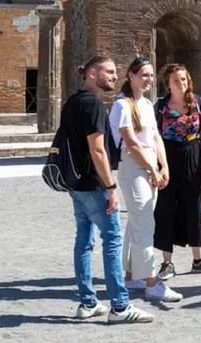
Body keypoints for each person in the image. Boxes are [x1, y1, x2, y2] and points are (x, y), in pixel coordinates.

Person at [63, 56, 153, 323]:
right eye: (109, 72)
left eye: (115, 73)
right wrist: (111, 186)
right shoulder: (92, 104)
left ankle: (88, 302)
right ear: (92, 73)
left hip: (76, 184)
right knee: (112, 240)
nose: (115, 77)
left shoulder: (73, 101)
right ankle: (120, 306)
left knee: (84, 241)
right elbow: (97, 149)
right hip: (94, 183)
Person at [109, 56, 181, 303]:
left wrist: (164, 165)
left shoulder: (148, 105)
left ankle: (130, 275)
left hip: (150, 165)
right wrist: (152, 168)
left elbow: (156, 138)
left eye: (151, 75)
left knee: (137, 223)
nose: (148, 79)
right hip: (134, 166)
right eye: (144, 75)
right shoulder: (122, 105)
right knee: (145, 224)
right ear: (131, 75)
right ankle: (152, 282)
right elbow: (130, 143)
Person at [153, 63, 201, 279]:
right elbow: (154, 137)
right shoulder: (161, 107)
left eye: (183, 79)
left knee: (193, 205)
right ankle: (167, 262)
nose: (180, 83)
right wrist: (157, 166)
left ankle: (198, 258)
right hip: (168, 156)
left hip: (192, 154)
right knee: (166, 207)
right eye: (175, 80)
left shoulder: (199, 104)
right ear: (168, 83)